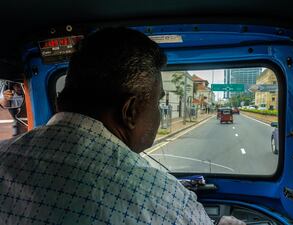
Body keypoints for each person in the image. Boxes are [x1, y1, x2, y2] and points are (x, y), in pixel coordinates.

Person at [0, 27, 245, 225]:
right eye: (157, 103)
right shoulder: (167, 201)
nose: (159, 114)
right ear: (130, 111)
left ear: (60, 99)